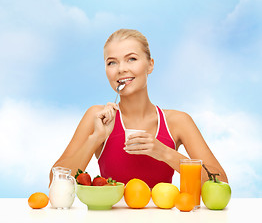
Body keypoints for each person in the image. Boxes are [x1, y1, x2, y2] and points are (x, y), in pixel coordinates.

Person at [49, 29, 228, 187]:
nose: (121, 69)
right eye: (112, 62)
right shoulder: (97, 117)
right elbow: (55, 182)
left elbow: (221, 182)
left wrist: (165, 153)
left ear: (150, 65)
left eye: (131, 59)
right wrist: (96, 138)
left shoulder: (178, 122)